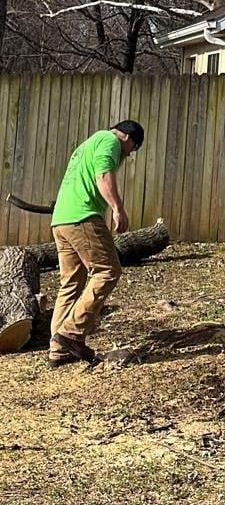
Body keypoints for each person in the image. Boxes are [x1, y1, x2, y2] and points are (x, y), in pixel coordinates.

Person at [47, 120, 144, 367]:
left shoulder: (87, 144)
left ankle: (58, 349)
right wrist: (117, 208)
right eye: (132, 150)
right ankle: (70, 333)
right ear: (129, 139)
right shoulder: (110, 141)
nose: (129, 155)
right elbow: (103, 174)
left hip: (61, 219)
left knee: (71, 282)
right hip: (82, 217)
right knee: (108, 270)